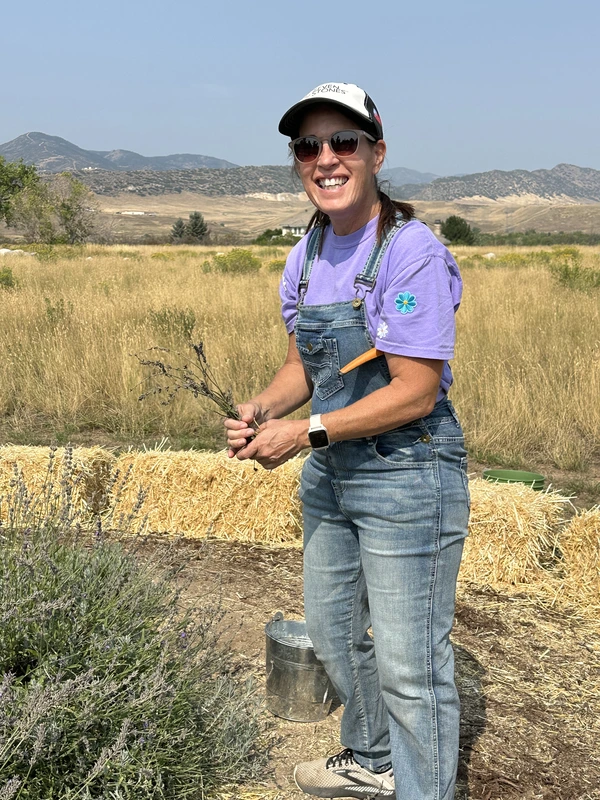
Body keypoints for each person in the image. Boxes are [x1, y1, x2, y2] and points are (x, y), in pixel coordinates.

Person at [225, 82, 470, 800]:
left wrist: (304, 431)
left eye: (343, 142)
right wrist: (263, 406)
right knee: (334, 635)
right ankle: (373, 759)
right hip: (332, 470)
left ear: (376, 153)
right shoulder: (305, 254)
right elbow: (305, 364)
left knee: (409, 664)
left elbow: (416, 390)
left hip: (406, 473)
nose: (325, 157)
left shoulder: (410, 250)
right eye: (308, 146)